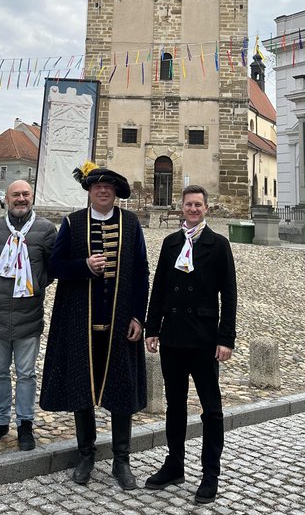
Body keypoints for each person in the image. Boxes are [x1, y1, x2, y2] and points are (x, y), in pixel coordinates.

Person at [39, 162, 148, 490]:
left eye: (109, 187)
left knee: (121, 392)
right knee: (83, 389)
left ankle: (121, 460)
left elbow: (141, 272)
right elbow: (55, 266)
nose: (103, 191)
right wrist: (83, 266)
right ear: (89, 191)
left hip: (119, 324)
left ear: (115, 193)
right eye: (97, 186)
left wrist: (138, 317)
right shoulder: (72, 223)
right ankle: (86, 454)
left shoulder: (130, 224)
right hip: (80, 323)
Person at [145, 185, 237, 506]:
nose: (193, 209)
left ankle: (210, 473)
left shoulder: (219, 245)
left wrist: (226, 338)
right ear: (181, 207)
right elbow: (159, 288)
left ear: (206, 208)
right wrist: (151, 328)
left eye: (198, 204)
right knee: (175, 406)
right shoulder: (171, 244)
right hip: (173, 337)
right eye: (188, 204)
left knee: (211, 409)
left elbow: (230, 294)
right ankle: (174, 465)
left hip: (204, 339)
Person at [0, 179, 56, 451]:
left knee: (27, 373)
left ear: (32, 198)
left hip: (28, 314)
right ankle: (0, 421)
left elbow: (53, 266)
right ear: (7, 199)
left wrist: (37, 284)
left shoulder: (45, 230)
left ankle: (25, 423)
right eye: (16, 194)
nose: (21, 199)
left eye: (25, 194)